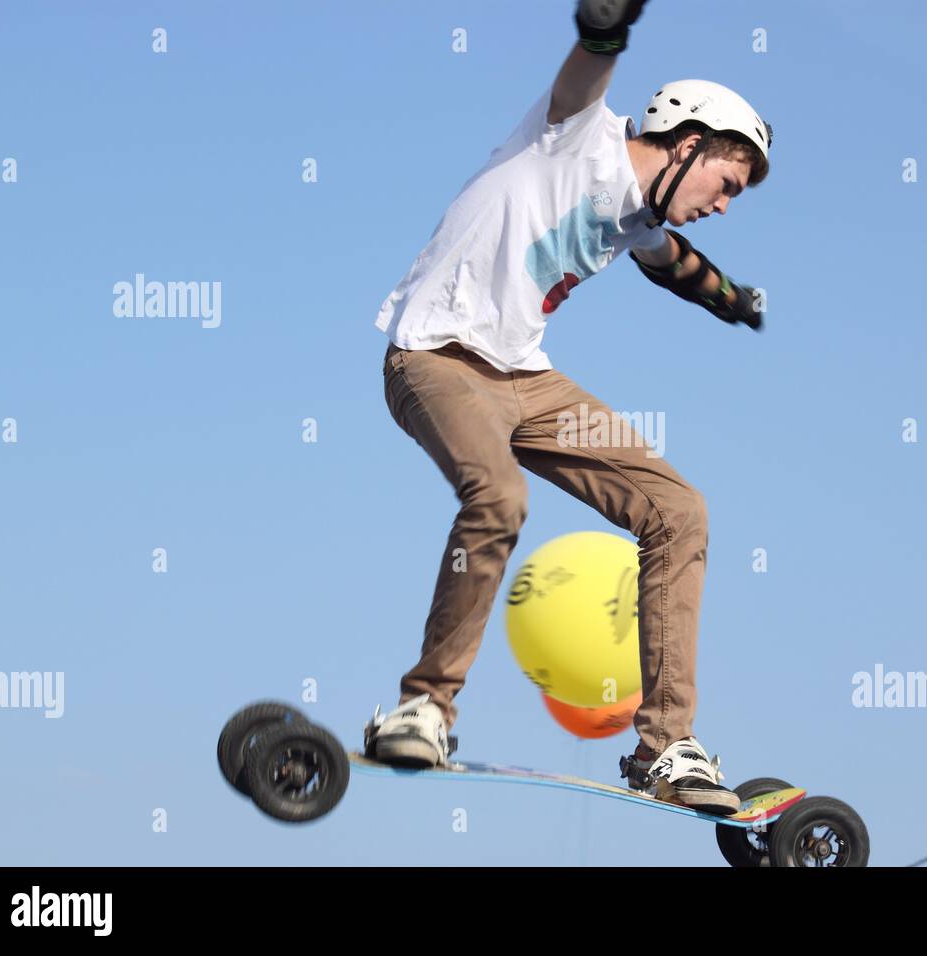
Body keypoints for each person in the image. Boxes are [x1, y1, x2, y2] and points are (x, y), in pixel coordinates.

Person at [365, 0, 772, 816]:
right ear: (688, 143)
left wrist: (732, 297)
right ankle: (425, 706)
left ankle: (666, 748)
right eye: (724, 184)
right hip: (438, 358)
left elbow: (672, 264)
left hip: (529, 381)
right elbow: (587, 64)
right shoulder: (574, 135)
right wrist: (606, 24)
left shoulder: (638, 217)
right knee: (500, 498)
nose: (724, 203)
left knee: (676, 509)